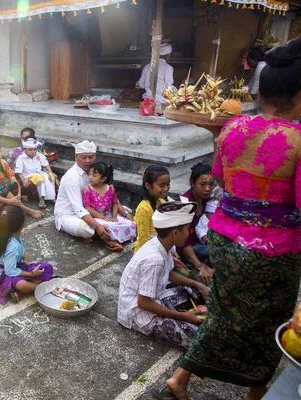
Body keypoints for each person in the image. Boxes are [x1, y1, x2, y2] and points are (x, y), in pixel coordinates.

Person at [162, 39, 301, 400]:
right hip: (272, 251)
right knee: (269, 322)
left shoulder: (233, 128)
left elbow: (222, 179)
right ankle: (255, 394)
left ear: (262, 88)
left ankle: (179, 379)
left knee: (222, 310)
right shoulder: (298, 138)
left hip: (224, 238)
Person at [118, 201, 209, 349]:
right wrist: (182, 317)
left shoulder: (161, 245)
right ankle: (184, 318)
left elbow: (169, 275)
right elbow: (143, 303)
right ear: (175, 233)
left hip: (153, 297)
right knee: (198, 341)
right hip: (138, 315)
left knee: (192, 290)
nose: (188, 233)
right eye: (186, 229)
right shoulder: (155, 259)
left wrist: (198, 285)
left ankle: (186, 312)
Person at [55, 140, 120, 242]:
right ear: (76, 157)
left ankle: (103, 230)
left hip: (92, 209)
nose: (88, 161)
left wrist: (124, 213)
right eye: (83, 157)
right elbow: (78, 209)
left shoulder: (96, 172)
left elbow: (111, 196)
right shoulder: (71, 177)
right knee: (88, 230)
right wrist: (98, 225)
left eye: (91, 157)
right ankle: (101, 231)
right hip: (69, 214)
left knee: (122, 212)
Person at [0, 205, 54, 304]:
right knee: (22, 285)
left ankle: (20, 291)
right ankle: (40, 287)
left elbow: (23, 256)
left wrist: (28, 266)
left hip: (17, 267)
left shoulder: (13, 235)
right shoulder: (11, 247)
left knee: (47, 268)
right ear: (23, 224)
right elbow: (9, 271)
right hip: (4, 275)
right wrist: (31, 274)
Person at [0, 140, 43, 223]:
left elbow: (14, 181)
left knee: (12, 184)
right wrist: (9, 201)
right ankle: (27, 210)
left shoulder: (3, 163)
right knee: (5, 185)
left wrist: (19, 194)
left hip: (4, 195)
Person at [82, 161, 136, 252]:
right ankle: (110, 241)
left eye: (94, 176)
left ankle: (111, 236)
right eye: (89, 174)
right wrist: (104, 219)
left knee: (131, 223)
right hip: (95, 218)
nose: (90, 177)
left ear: (103, 179)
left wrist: (114, 217)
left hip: (109, 215)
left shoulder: (110, 188)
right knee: (105, 226)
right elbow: (88, 208)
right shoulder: (87, 189)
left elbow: (115, 203)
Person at [178, 163, 214, 284]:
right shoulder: (185, 205)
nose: (207, 188)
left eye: (211, 184)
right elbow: (183, 242)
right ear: (193, 183)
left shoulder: (208, 201)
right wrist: (200, 266)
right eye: (203, 184)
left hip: (201, 244)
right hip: (187, 249)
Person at [134, 165, 170, 253]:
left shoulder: (162, 201)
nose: (166, 188)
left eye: (168, 184)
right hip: (149, 252)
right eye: (161, 185)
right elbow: (144, 241)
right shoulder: (144, 209)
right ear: (148, 185)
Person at [15, 138, 59, 209]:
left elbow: (46, 164)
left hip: (40, 174)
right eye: (30, 150)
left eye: (34, 149)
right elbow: (19, 171)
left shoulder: (38, 155)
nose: (33, 152)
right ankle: (42, 199)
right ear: (25, 149)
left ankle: (52, 197)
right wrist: (23, 180)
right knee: (40, 179)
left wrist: (51, 172)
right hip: (29, 176)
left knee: (51, 176)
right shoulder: (21, 158)